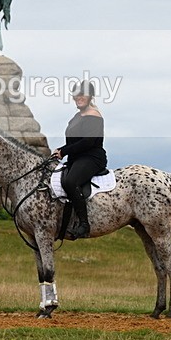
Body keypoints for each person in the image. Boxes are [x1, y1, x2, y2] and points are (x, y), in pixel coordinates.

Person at [50, 80, 107, 239]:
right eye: (76, 95)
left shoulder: (94, 115)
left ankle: (84, 224)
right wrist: (60, 151)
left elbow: (88, 142)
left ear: (90, 97)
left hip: (92, 157)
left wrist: (64, 151)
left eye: (82, 94)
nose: (78, 97)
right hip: (76, 158)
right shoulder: (77, 116)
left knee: (70, 182)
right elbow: (74, 142)